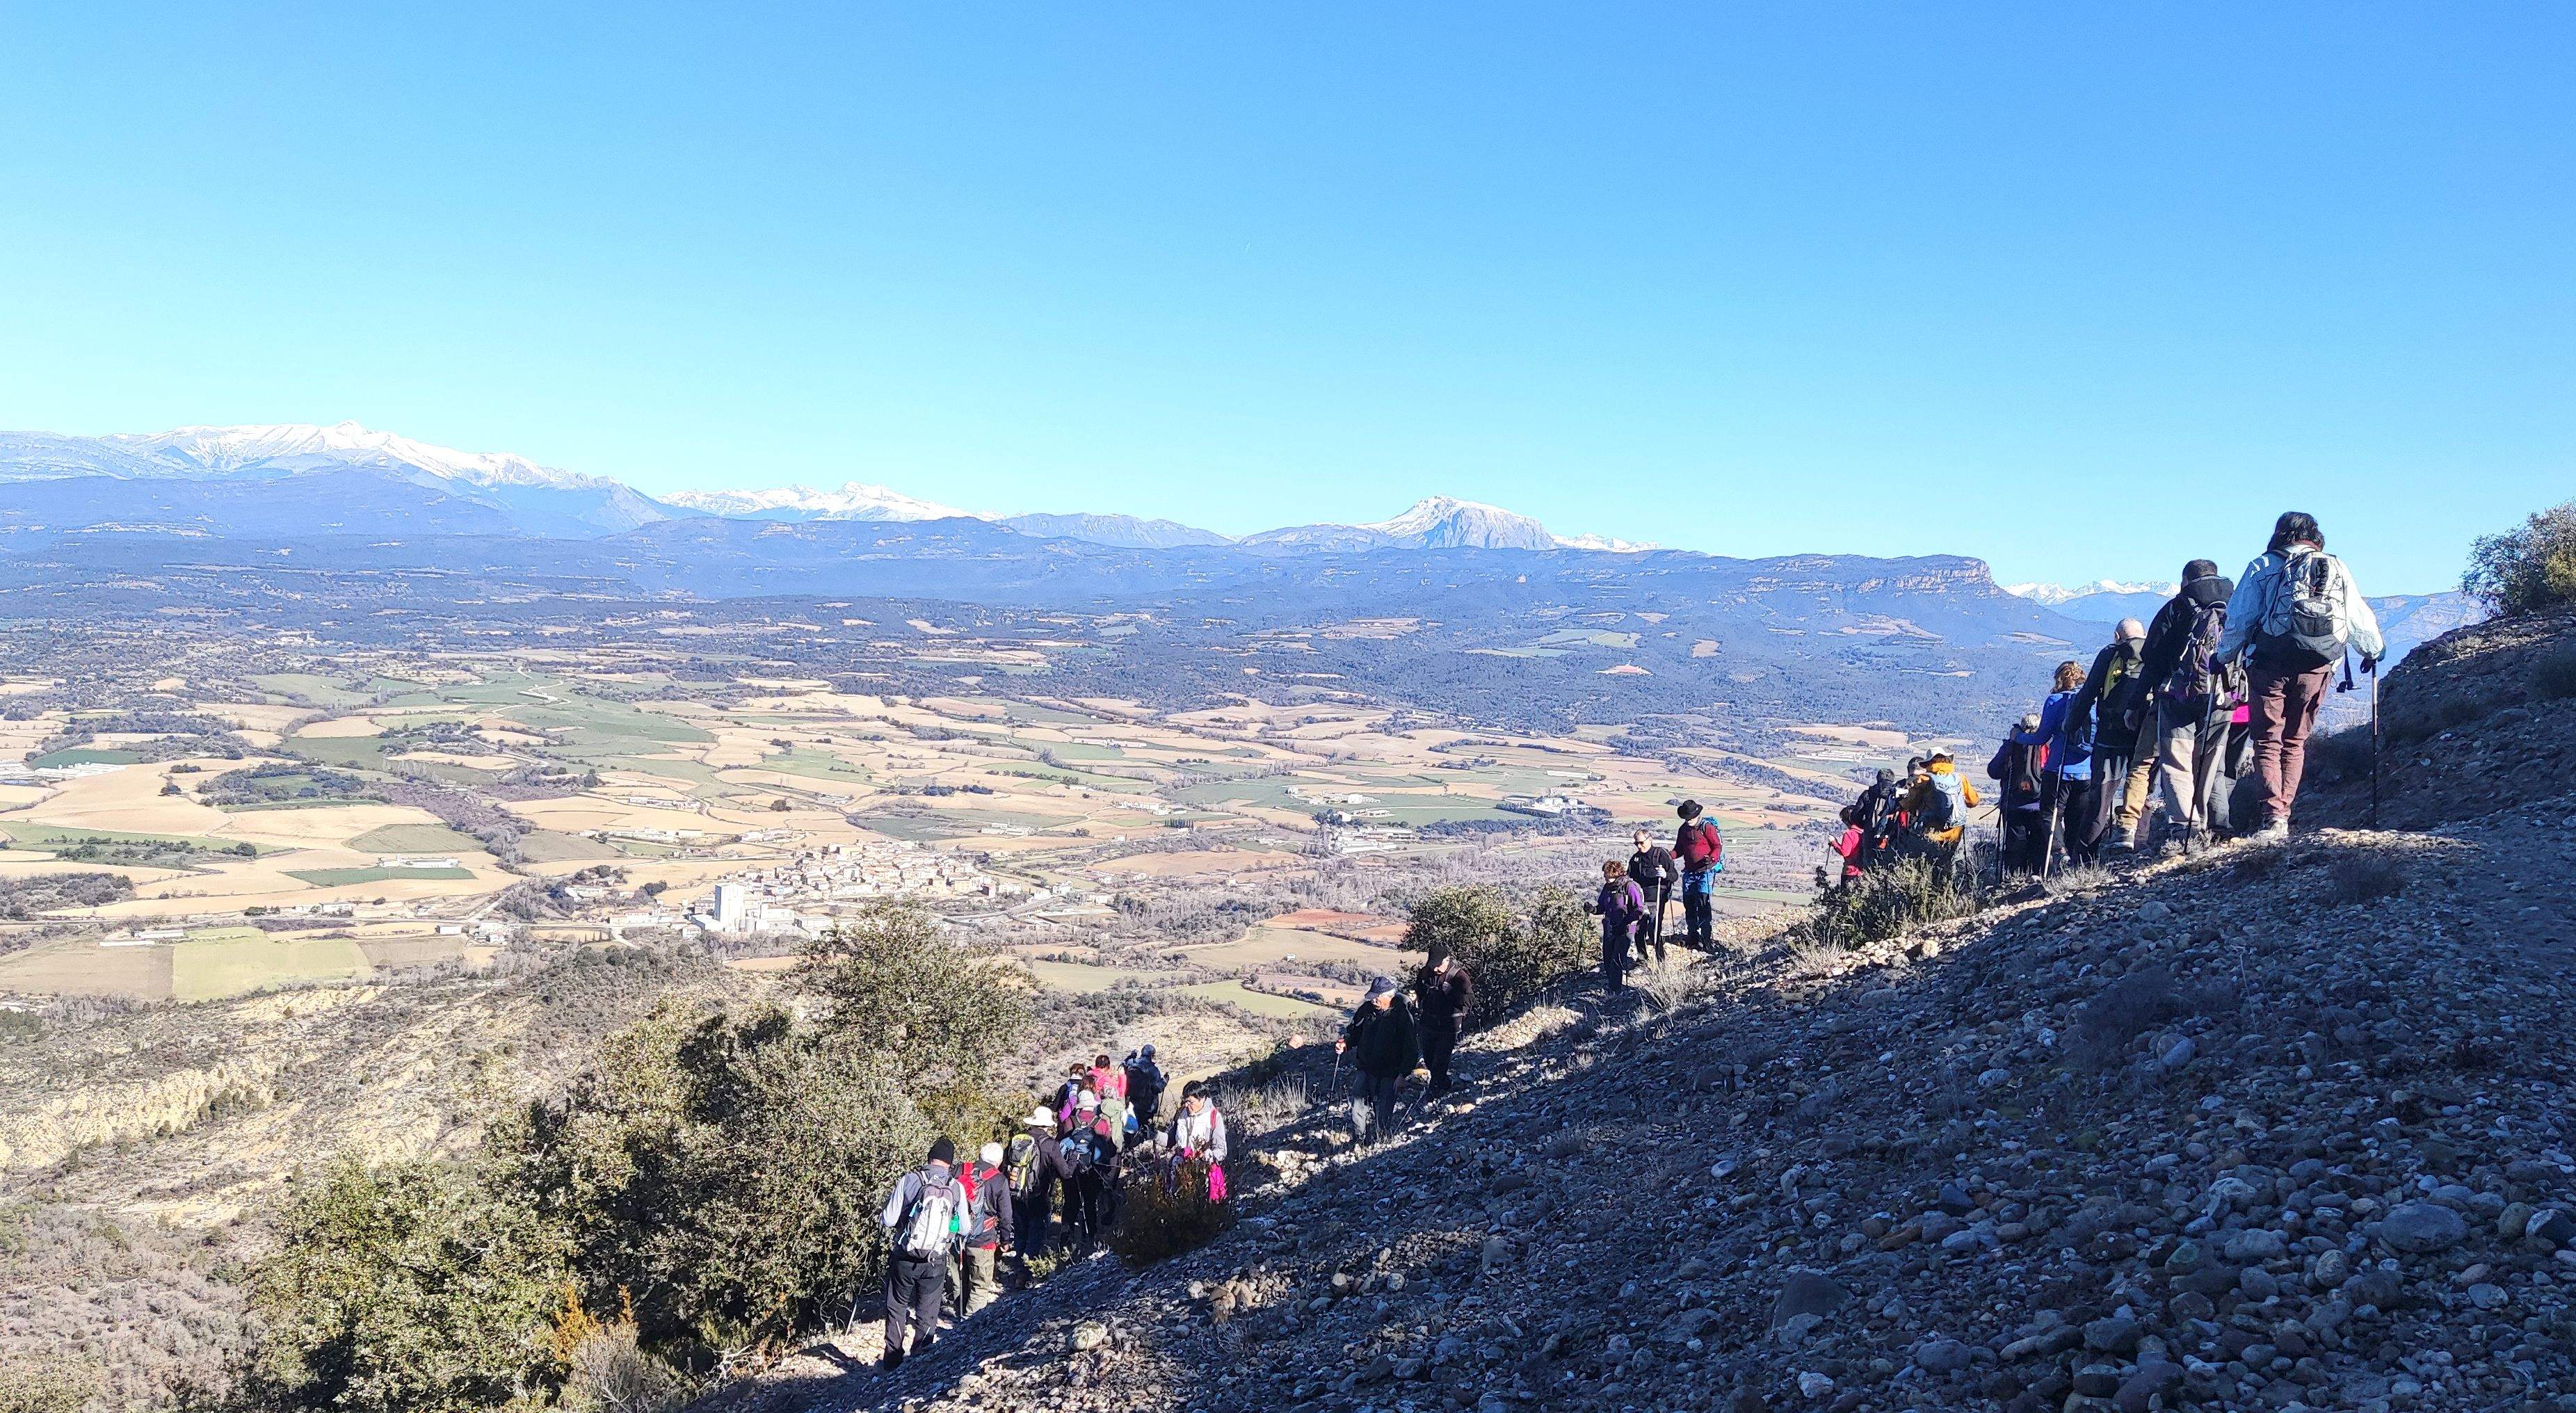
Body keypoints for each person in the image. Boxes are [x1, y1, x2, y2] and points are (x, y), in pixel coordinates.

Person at [2216, 512, 2384, 840]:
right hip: (2316, 664)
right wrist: (2373, 650)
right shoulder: (2335, 565)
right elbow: (2357, 614)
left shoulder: (2263, 566)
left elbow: (2240, 618)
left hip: (2269, 663)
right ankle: (2285, 812)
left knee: (2267, 740)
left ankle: (2273, 817)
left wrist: (2222, 657)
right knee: (2295, 741)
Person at [2136, 558, 2239, 849]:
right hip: (2224, 697)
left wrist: (2137, 701)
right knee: (2211, 763)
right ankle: (2212, 824)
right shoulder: (2236, 604)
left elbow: (2151, 658)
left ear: (2185, 580)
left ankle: (2184, 827)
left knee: (2177, 763)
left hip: (2178, 698)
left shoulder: (2176, 606)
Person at [879, 1138, 968, 1369]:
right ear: (950, 1164)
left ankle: (892, 1358)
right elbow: (965, 1228)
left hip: (905, 1258)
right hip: (936, 1259)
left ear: (929, 1158)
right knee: (928, 1309)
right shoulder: (956, 1187)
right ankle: (921, 1358)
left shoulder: (910, 1180)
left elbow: (888, 1220)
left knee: (897, 1305)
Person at [2068, 617, 2153, 855]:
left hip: (2110, 737)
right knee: (2141, 789)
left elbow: (2087, 694)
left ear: (2117, 636)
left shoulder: (2110, 655)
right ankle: (2139, 846)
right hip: (2144, 734)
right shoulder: (2155, 651)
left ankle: (2085, 858)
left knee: (2101, 798)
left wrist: (2070, 726)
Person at [1337, 975, 1419, 1145]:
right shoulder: (1366, 1010)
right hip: (1366, 1068)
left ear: (1388, 997)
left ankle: (1382, 1144)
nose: (1373, 1000)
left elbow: (1410, 1049)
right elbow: (1355, 1033)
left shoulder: (1402, 1016)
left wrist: (1403, 1075)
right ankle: (1359, 1142)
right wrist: (1346, 1044)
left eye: (1376, 997)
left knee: (1384, 1112)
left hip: (1390, 1073)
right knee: (1357, 1108)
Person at [2034, 660, 2095, 867]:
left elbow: (2041, 737)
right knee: (2076, 820)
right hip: (2087, 771)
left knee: (2050, 814)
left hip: (2058, 771)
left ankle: (2060, 854)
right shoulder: (2093, 701)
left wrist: (2018, 736)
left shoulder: (2055, 700)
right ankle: (2077, 863)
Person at [948, 1140, 1015, 1319]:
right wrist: (1005, 1240)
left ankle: (959, 1311)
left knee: (959, 1279)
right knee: (980, 1283)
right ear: (999, 1162)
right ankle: (969, 1324)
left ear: (979, 1156)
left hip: (955, 1235)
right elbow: (1006, 1215)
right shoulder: (999, 1180)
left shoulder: (960, 1170)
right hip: (983, 1240)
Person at [1986, 712, 2050, 875]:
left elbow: (1993, 771)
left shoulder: (2011, 746)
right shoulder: (2045, 746)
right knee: (2039, 843)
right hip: (2039, 805)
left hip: (2013, 805)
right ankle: (2037, 876)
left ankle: (2013, 877)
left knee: (2015, 845)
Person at [1412, 945, 1473, 1096]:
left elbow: (1470, 1000)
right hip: (1428, 1025)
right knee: (1429, 1059)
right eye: (1432, 965)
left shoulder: (1459, 977)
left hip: (1448, 1027)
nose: (1435, 969)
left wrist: (1451, 993)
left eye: (1438, 966)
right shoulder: (1425, 972)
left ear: (1447, 960)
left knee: (1441, 1060)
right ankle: (1444, 1084)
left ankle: (1435, 1093)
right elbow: (1419, 991)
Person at [1585, 859, 1648, 990]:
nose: (1607, 879)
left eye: (1609, 877)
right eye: (1606, 877)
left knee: (1617, 960)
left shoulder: (1629, 886)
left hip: (1626, 929)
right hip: (1609, 927)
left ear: (1618, 874)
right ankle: (1613, 987)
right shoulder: (1607, 888)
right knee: (1607, 960)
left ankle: (1616, 991)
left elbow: (1639, 910)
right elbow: (1602, 907)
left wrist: (1625, 922)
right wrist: (1592, 910)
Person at [1670, 800, 1725, 948]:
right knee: (1689, 904)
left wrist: (1712, 858)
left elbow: (1717, 846)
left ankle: (1706, 939)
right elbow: (1679, 849)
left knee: (1703, 904)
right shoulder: (1683, 830)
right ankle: (1693, 937)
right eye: (1687, 818)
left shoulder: (1707, 827)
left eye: (1691, 817)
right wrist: (1669, 856)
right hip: (1690, 873)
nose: (1689, 820)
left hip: (1705, 872)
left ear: (1697, 815)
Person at [1005, 1109, 1057, 1261]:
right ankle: (1028, 1270)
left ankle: (1018, 1271)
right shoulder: (1051, 1145)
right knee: (1036, 1235)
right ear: (1047, 1125)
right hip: (1039, 1196)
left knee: (1021, 1233)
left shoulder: (1017, 1141)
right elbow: (1066, 1173)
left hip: (1017, 1195)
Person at [1165, 1081, 1230, 1202]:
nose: (1187, 1105)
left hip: (1202, 1171)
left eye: (1191, 1102)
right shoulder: (1181, 1114)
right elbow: (1170, 1140)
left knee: (1201, 1204)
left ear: (1202, 1099)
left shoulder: (1214, 1117)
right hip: (1179, 1169)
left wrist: (1208, 1155)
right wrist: (1155, 1135)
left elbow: (1221, 1151)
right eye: (1185, 1101)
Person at [1625, 828, 1679, 964]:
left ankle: (1661, 959)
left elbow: (1674, 876)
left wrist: (1666, 875)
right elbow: (1630, 878)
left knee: (1653, 930)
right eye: (1636, 843)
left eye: (1641, 843)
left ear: (1650, 840)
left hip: (1657, 899)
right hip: (1640, 901)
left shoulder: (1661, 854)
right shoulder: (1636, 859)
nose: (1639, 846)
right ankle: (1642, 959)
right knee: (1636, 929)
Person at [1854, 768, 1904, 871]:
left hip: (1870, 835)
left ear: (1878, 779)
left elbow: (1855, 817)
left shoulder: (1867, 794)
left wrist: (1867, 825)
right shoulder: (1896, 794)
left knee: (1869, 866)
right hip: (1890, 835)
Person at [1120, 1045, 1166, 1151]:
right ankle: (1139, 1150)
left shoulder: (1133, 1064)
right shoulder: (1153, 1070)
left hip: (1132, 1102)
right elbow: (1156, 1088)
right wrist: (1164, 1082)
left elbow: (1124, 1064)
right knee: (1145, 1129)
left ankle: (1127, 1148)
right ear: (1152, 1055)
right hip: (1148, 1106)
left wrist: (1130, 1056)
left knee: (1131, 1126)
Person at [1828, 805, 1865, 885]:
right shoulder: (1864, 833)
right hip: (1862, 872)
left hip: (1850, 872)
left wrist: (1834, 842)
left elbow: (1845, 852)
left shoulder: (1850, 834)